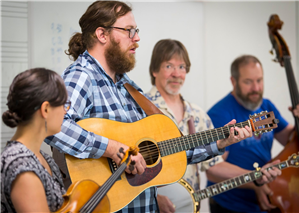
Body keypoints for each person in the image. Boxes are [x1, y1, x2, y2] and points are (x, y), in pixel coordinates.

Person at [44, 1, 253, 212]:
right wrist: (113, 149)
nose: (137, 38)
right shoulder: (83, 76)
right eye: (129, 31)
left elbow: (170, 150)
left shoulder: (128, 86)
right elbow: (52, 125)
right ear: (102, 34)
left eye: (136, 31)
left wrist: (220, 142)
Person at [145, 40, 276, 213]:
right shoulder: (139, 108)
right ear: (154, 70)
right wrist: (152, 197)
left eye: (182, 67)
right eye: (169, 66)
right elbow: (125, 162)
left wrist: (256, 175)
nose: (177, 74)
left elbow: (214, 165)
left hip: (187, 207)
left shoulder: (198, 115)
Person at [202, 54, 299, 213]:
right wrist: (255, 180)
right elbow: (213, 170)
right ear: (233, 81)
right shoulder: (220, 114)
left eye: (259, 80)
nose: (256, 88)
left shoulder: (266, 107)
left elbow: (290, 139)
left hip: (265, 201)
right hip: (230, 205)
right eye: (248, 82)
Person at [0, 68, 69, 212]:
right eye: (63, 105)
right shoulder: (21, 165)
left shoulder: (44, 159)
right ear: (45, 110)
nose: (65, 111)